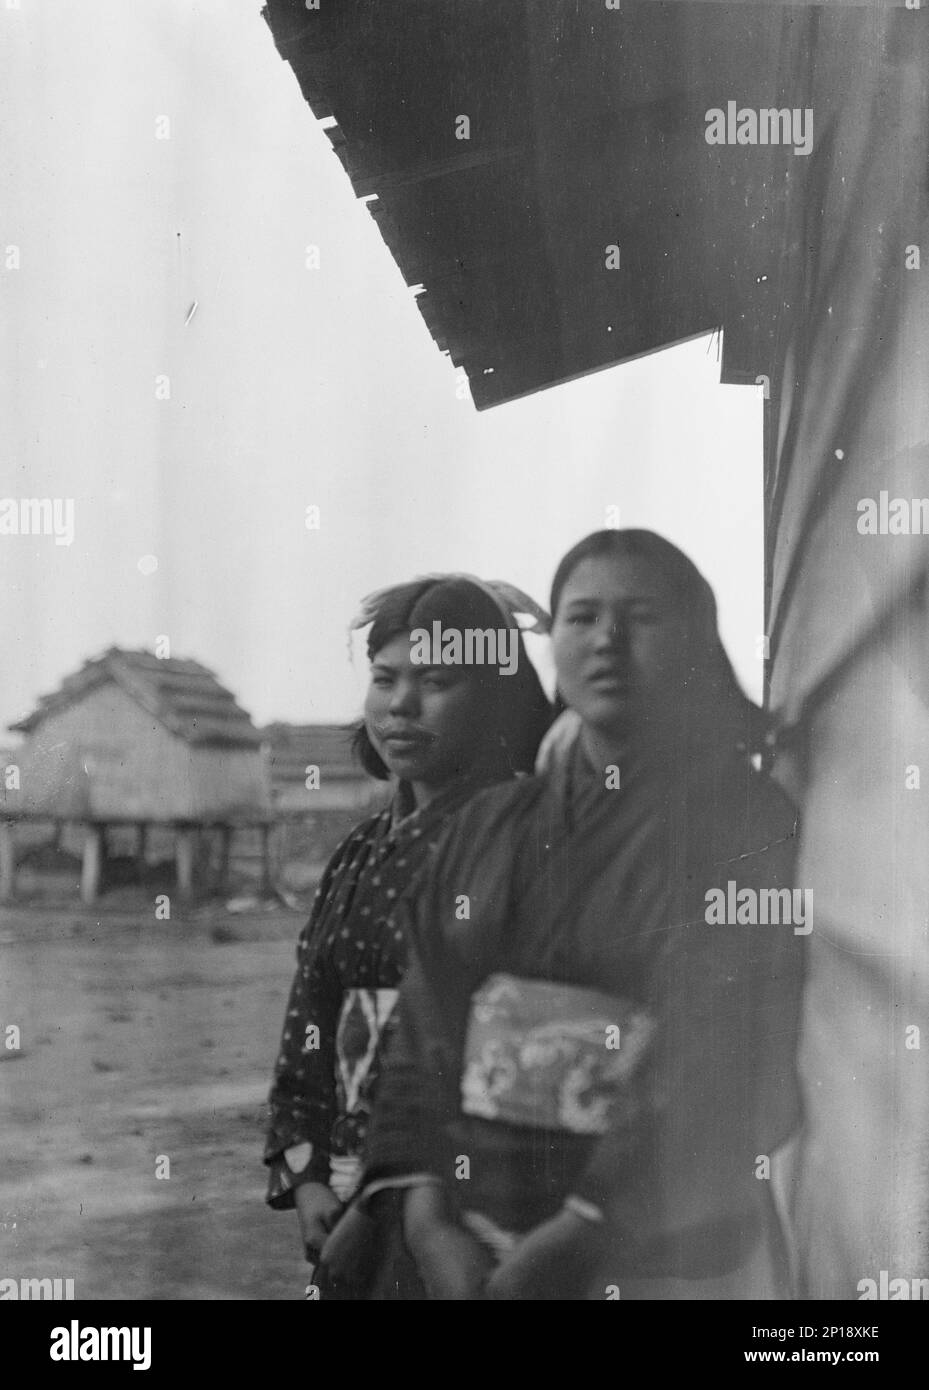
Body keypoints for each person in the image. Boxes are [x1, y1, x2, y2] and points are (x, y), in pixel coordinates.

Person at [351, 529, 806, 1300]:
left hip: (659, 1243)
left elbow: (723, 1045)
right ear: (553, 638)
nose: (607, 642)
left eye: (642, 618)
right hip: (472, 1229)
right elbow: (424, 1023)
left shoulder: (745, 822)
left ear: (697, 638)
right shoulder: (489, 821)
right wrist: (428, 1217)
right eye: (581, 617)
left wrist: (587, 1227)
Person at [263, 573, 552, 1298]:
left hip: (471, 1202)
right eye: (384, 678)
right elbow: (309, 1023)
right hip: (344, 1193)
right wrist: (308, 1180)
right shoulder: (358, 852)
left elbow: (505, 1051)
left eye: (437, 680)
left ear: (494, 695)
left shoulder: (525, 840)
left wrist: (386, 1197)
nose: (401, 704)